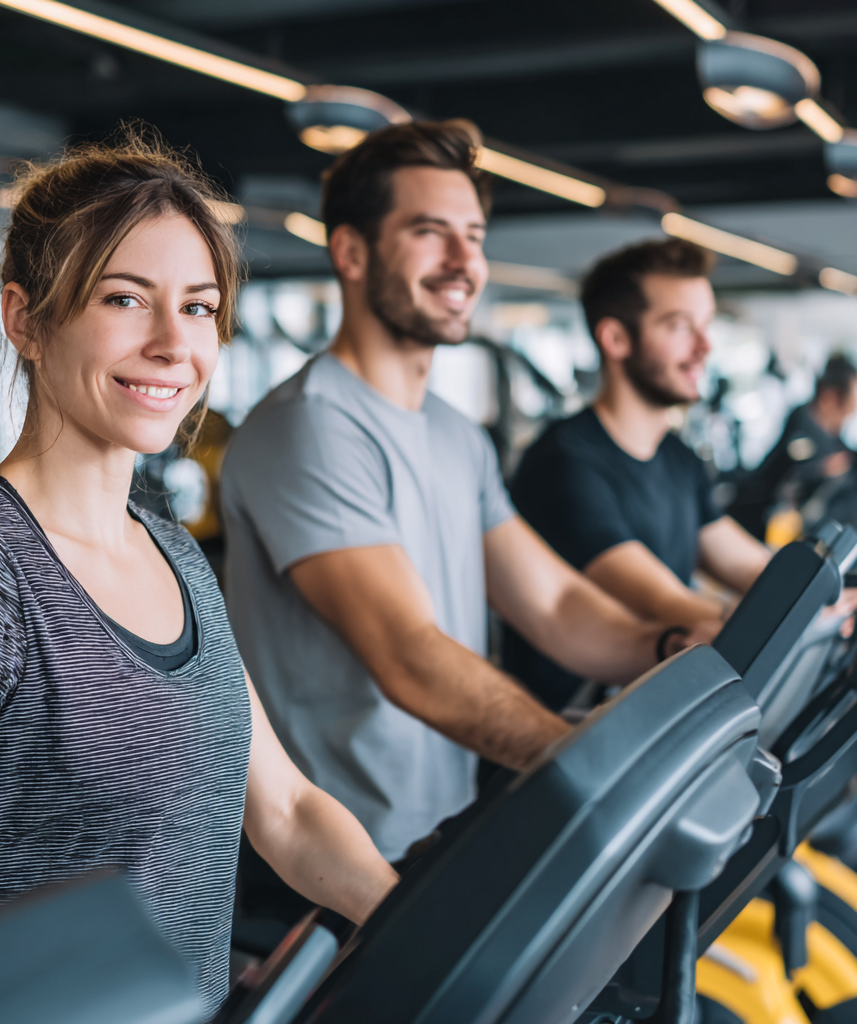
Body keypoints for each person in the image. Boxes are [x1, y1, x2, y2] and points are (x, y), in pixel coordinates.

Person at [0, 134, 397, 1015]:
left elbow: (289, 812)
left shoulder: (173, 552)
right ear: (24, 320)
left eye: (198, 307)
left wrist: (421, 924)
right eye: (123, 298)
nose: (171, 343)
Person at [220, 121, 714, 883]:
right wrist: (584, 766)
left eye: (473, 236)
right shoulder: (311, 426)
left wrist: (676, 643)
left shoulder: (455, 435)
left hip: (444, 828)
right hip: (334, 859)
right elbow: (409, 657)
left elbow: (555, 607)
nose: (463, 262)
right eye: (430, 233)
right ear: (351, 253)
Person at [505, 239, 772, 711]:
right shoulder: (564, 463)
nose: (704, 347)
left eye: (706, 326)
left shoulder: (677, 457)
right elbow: (662, 603)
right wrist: (786, 623)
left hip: (650, 711)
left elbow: (748, 565)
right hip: (570, 734)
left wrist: (828, 593)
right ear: (616, 339)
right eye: (679, 326)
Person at [731, 354, 857, 540]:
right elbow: (794, 472)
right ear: (830, 398)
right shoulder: (802, 428)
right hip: (761, 529)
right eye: (849, 407)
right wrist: (824, 468)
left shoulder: (829, 438)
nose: (851, 414)